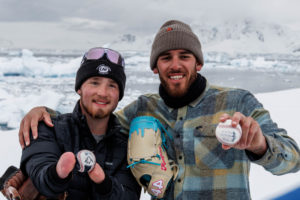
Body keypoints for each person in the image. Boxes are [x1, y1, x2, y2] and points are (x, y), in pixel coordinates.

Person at [18, 20, 300, 200]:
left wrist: (260, 145)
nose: (175, 65)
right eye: (166, 58)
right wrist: (42, 112)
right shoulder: (143, 109)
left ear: (198, 63)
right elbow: (96, 119)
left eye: (184, 57)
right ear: (156, 67)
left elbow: (293, 159)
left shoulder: (238, 102)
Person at [15, 47, 141, 199]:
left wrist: (104, 184)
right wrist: (57, 174)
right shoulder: (48, 128)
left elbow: (129, 195)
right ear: (79, 88)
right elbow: (38, 171)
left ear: (119, 94)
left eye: (112, 85)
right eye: (94, 82)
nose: (102, 92)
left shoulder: (127, 145)